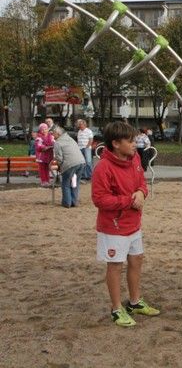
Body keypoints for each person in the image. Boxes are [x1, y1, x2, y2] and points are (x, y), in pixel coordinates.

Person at [91, 121, 160, 327]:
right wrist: (129, 200)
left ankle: (134, 302)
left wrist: (141, 192)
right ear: (115, 143)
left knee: (136, 260)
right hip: (113, 227)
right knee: (115, 266)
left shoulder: (135, 158)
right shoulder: (103, 167)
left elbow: (141, 183)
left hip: (133, 224)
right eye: (130, 141)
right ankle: (116, 309)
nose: (134, 144)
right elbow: (100, 199)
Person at [51, 126, 86, 208]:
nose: (53, 135)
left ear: (58, 134)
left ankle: (67, 203)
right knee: (75, 183)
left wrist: (59, 166)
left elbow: (59, 158)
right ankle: (74, 202)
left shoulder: (58, 143)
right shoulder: (70, 139)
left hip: (70, 164)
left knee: (66, 183)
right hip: (81, 162)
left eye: (53, 134)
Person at [34, 123, 55, 187]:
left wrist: (53, 144)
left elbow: (54, 142)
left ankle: (47, 181)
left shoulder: (51, 136)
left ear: (47, 129)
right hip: (41, 156)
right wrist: (44, 147)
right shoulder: (39, 137)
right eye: (42, 129)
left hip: (49, 155)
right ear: (40, 130)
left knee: (47, 169)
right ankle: (43, 181)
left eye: (45, 129)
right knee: (42, 169)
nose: (44, 131)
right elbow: (38, 146)